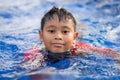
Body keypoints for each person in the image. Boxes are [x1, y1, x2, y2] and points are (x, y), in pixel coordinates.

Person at [22, 6, 120, 68]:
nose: (58, 36)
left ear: (74, 37)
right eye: (51, 31)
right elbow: (27, 68)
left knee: (81, 34)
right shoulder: (35, 53)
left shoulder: (79, 47)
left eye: (64, 31)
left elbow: (110, 53)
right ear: (41, 36)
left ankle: (80, 28)